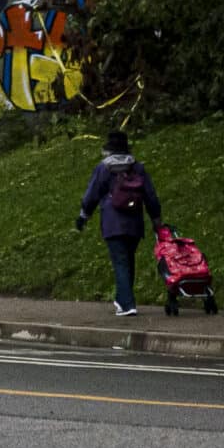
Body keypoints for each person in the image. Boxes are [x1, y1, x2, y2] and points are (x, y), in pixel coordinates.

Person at [77, 129, 162, 316]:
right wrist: (156, 221)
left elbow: (91, 195)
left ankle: (127, 304)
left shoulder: (103, 168)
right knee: (128, 260)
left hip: (112, 223)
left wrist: (84, 216)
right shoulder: (137, 168)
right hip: (134, 222)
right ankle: (122, 298)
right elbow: (150, 196)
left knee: (120, 261)